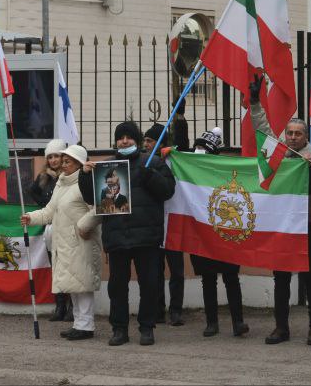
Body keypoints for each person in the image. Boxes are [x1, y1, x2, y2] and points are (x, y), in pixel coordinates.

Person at [78, 120, 176, 347]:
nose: (124, 140)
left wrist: (150, 174)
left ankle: (147, 327)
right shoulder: (107, 166)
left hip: (147, 237)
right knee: (117, 287)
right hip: (117, 236)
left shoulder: (153, 162)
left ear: (138, 141)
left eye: (129, 137)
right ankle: (119, 329)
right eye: (120, 137)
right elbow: (92, 199)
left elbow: (168, 191)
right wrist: (85, 176)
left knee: (150, 284)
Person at [251, 79, 311, 346]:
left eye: (298, 134)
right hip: (281, 228)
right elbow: (262, 130)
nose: (292, 137)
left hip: (304, 228)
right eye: (289, 133)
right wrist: (256, 103)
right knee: (280, 279)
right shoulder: (277, 156)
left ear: (306, 137)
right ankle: (281, 328)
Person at [22, 143, 102, 341]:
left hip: (81, 241)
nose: (63, 165)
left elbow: (99, 207)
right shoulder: (61, 183)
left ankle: (86, 325)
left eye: (68, 161)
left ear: (79, 163)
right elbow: (49, 211)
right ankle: (79, 324)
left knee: (82, 285)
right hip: (64, 244)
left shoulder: (86, 183)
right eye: (63, 161)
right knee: (72, 285)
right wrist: (31, 217)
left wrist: (83, 226)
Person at [187, 128, 249, 338]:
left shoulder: (224, 169)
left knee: (231, 277)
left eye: (203, 148)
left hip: (225, 231)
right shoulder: (189, 167)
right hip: (202, 232)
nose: (199, 151)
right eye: (197, 147)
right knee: (208, 279)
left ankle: (238, 322)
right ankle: (211, 323)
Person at [145, 119, 189, 327]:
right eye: (144, 140)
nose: (146, 144)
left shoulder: (175, 159)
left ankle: (176, 310)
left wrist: (180, 119)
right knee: (155, 271)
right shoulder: (144, 162)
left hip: (174, 220)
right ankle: (158, 309)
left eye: (150, 140)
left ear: (161, 142)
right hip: (154, 222)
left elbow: (184, 145)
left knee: (177, 270)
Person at [28, 139, 72, 323]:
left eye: (57, 156)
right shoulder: (44, 178)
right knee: (55, 269)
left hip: (67, 228)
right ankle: (59, 306)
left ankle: (72, 307)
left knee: (69, 268)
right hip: (51, 229)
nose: (54, 160)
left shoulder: (68, 176)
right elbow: (34, 193)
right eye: (50, 157)